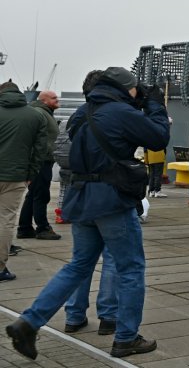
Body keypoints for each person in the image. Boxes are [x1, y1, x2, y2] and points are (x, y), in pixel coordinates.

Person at [6, 67, 170, 360]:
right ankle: (126, 337)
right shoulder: (121, 112)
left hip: (81, 198)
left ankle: (29, 322)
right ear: (122, 88)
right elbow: (158, 138)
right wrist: (154, 104)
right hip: (112, 200)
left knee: (78, 265)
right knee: (130, 268)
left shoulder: (84, 111)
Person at [63, 69, 117, 337]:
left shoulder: (76, 117)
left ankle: (74, 315)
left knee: (80, 260)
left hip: (80, 191)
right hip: (108, 192)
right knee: (113, 258)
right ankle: (108, 316)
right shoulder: (112, 114)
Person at [0, 81, 47, 283]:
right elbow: (40, 150)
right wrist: (31, 173)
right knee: (5, 220)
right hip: (15, 176)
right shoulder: (36, 115)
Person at [17, 90, 61, 241]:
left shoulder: (43, 112)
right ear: (44, 100)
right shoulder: (40, 113)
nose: (57, 99)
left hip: (41, 159)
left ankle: (25, 228)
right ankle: (42, 228)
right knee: (41, 194)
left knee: (33, 194)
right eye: (53, 98)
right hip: (40, 160)